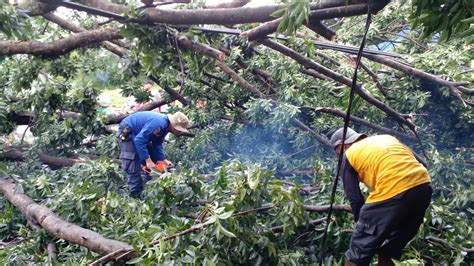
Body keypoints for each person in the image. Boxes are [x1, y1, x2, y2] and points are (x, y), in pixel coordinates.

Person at [329, 127, 432, 266]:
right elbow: (422, 164)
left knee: (357, 254)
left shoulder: (349, 154)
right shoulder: (387, 138)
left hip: (394, 188)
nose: (339, 157)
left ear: (343, 146)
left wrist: (362, 226)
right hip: (423, 187)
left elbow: (355, 198)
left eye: (338, 153)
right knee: (390, 248)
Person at [117, 111, 191, 199]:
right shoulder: (158, 123)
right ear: (173, 124)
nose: (178, 131)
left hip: (140, 136)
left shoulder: (165, 128)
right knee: (132, 163)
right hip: (128, 132)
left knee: (153, 162)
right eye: (178, 128)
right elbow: (139, 140)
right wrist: (147, 160)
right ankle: (135, 197)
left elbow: (157, 144)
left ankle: (149, 190)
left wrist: (162, 159)